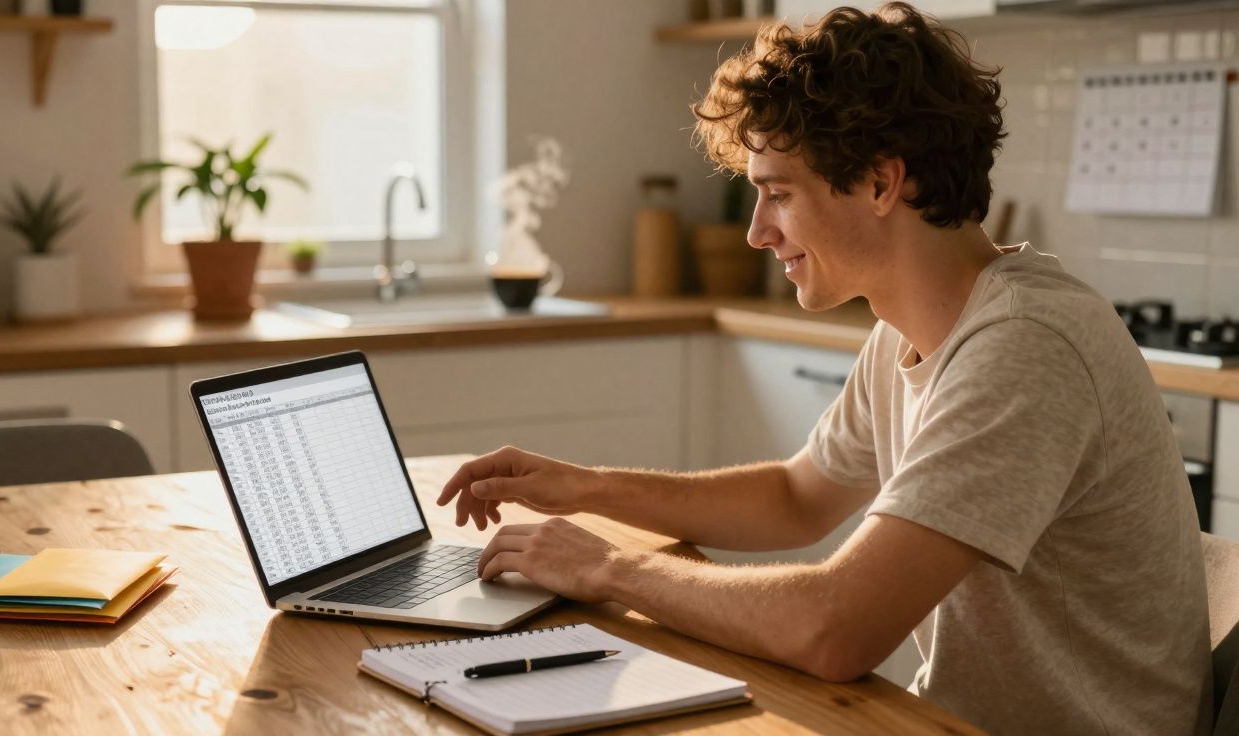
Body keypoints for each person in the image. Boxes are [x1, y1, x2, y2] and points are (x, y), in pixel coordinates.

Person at [437, 4, 1211, 734]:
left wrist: (608, 567)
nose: (756, 233)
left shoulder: (1025, 347)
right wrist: (591, 486)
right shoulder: (911, 324)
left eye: (777, 193)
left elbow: (834, 627)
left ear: (881, 181)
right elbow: (795, 496)